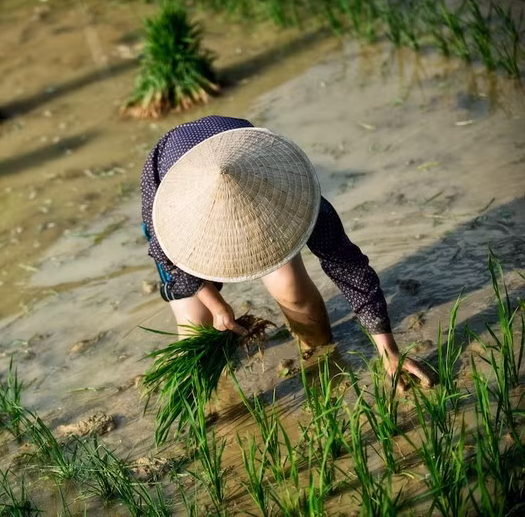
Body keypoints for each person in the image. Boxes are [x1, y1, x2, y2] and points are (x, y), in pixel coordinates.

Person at [141, 115, 433, 387]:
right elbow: (168, 259)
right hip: (177, 184)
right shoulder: (171, 213)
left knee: (291, 288)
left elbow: (349, 267)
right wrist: (217, 306)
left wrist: (388, 351)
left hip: (241, 159)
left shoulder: (290, 195)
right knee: (196, 323)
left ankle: (319, 357)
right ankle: (208, 398)